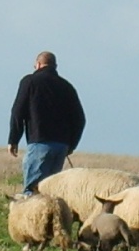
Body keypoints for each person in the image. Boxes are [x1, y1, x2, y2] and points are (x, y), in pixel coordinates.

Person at [8, 51, 86, 196]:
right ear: (55, 66)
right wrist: (71, 144)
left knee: (33, 190)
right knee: (50, 192)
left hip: (39, 142)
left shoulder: (30, 81)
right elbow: (80, 119)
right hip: (61, 146)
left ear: (38, 64)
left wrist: (13, 139)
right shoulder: (67, 86)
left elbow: (17, 111)